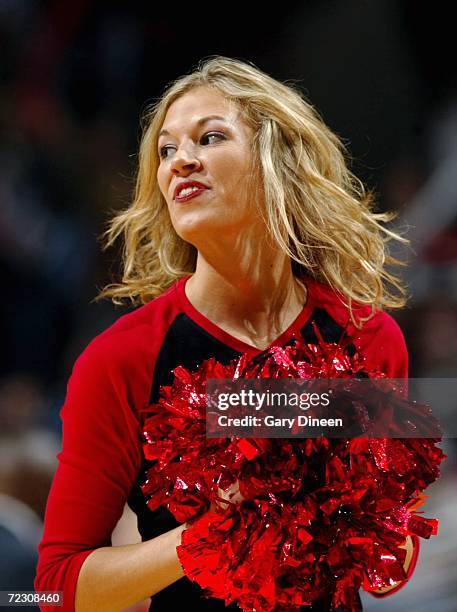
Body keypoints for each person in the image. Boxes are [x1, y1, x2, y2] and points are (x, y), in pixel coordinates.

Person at [35, 56, 419, 611]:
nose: (180, 162)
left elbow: (389, 571)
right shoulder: (122, 357)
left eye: (209, 138)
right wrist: (206, 536)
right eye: (166, 150)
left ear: (275, 162)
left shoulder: (369, 338)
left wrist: (355, 503)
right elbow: (49, 588)